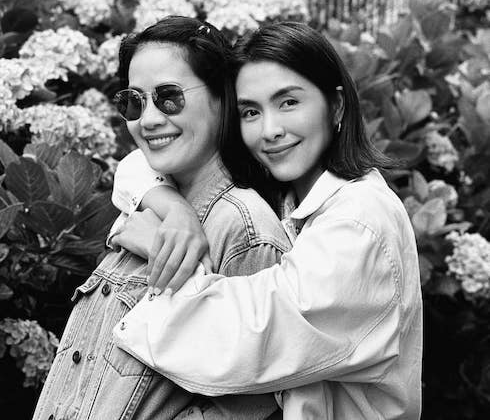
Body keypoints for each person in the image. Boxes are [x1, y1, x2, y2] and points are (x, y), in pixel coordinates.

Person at [111, 21, 423, 420]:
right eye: (251, 112)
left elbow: (250, 337)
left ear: (336, 106)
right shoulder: (294, 198)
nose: (270, 130)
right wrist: (175, 210)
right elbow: (140, 162)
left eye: (288, 102)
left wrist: (160, 248)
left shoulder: (359, 220)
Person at [32, 17, 290, 420]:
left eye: (169, 97)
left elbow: (254, 401)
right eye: (134, 102)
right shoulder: (147, 203)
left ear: (222, 98)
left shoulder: (245, 230)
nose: (148, 119)